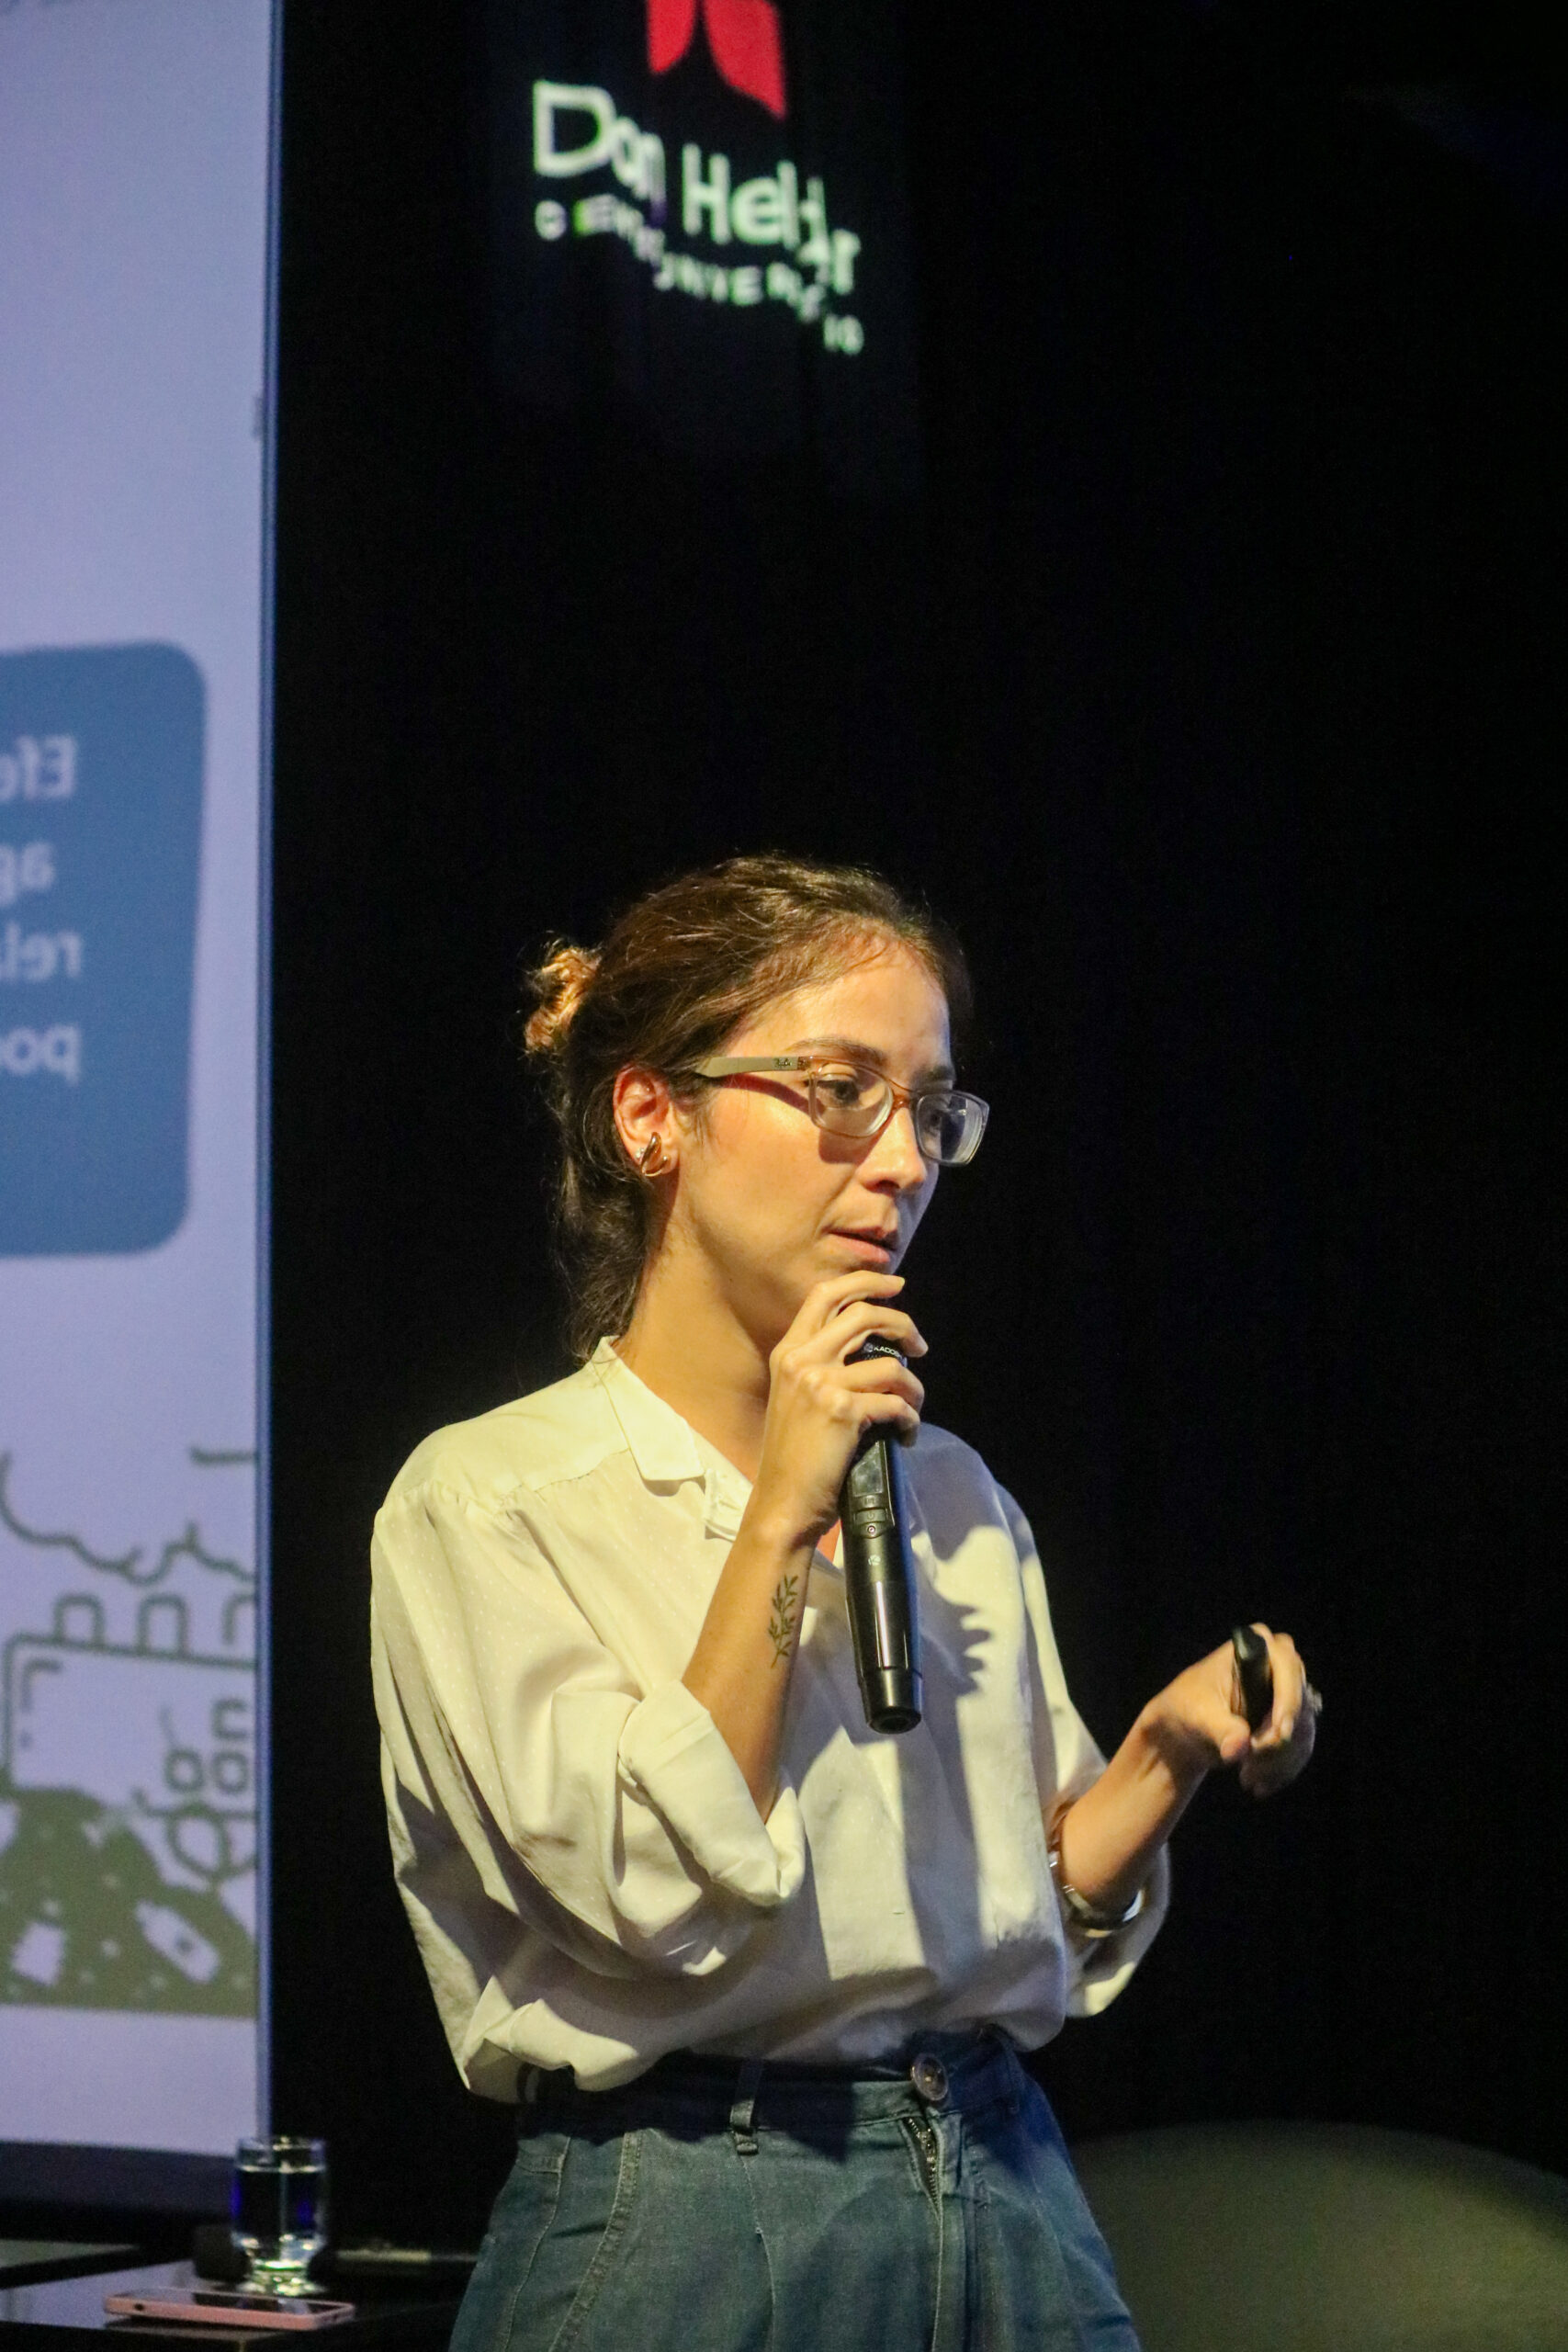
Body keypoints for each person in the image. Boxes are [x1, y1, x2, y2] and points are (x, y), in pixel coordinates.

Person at [369, 854, 1318, 2352]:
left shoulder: (950, 1488)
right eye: (838, 1092)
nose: (900, 1163)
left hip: (1001, 2178)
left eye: (930, 1111)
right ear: (651, 1115)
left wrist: (1165, 1754)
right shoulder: (491, 1500)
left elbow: (1025, 1915)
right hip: (697, 2198)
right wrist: (779, 1517)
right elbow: (644, 1899)